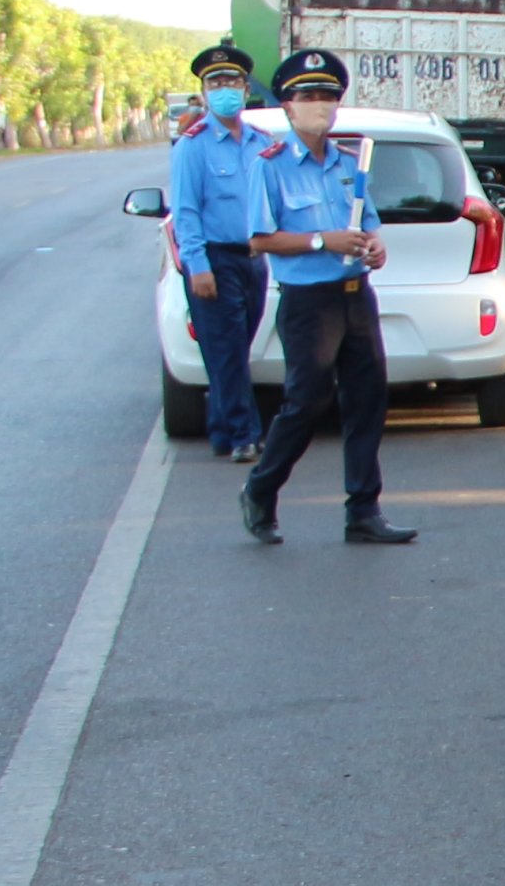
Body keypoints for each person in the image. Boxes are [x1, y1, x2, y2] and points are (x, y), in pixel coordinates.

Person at [239, 49, 412, 548]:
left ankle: (363, 509)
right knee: (307, 402)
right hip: (308, 301)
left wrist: (374, 246)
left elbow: (368, 221)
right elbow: (259, 239)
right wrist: (322, 240)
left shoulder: (348, 162)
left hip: (356, 295)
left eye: (328, 96)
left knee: (367, 400)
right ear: (288, 107)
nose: (320, 105)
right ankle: (261, 490)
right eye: (308, 96)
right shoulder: (269, 164)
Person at [163, 41, 273, 461]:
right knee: (225, 349)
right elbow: (186, 211)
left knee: (233, 349)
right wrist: (198, 266)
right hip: (215, 258)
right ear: (204, 92)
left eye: (231, 81)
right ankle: (246, 434)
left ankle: (222, 430)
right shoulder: (193, 144)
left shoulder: (261, 141)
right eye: (215, 82)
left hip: (254, 259)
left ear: (246, 89)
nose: (223, 88)